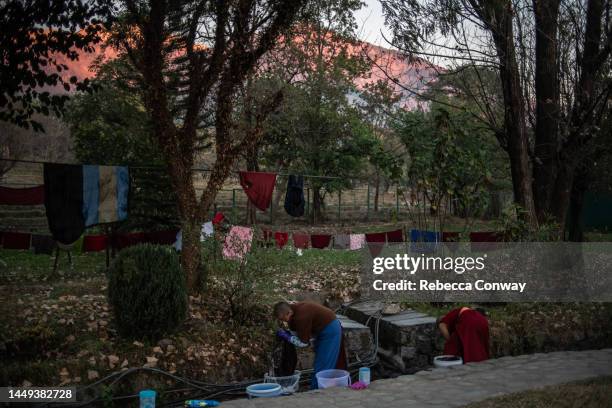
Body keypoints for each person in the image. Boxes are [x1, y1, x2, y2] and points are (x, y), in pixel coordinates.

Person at [273, 301, 346, 389]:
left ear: (289, 313)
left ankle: (317, 390)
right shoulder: (291, 311)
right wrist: (288, 335)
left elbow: (304, 343)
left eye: (284, 319)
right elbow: (296, 333)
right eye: (281, 320)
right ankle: (318, 387)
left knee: (324, 363)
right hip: (320, 329)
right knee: (319, 361)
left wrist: (287, 337)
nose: (283, 321)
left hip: (331, 329)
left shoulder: (301, 317)